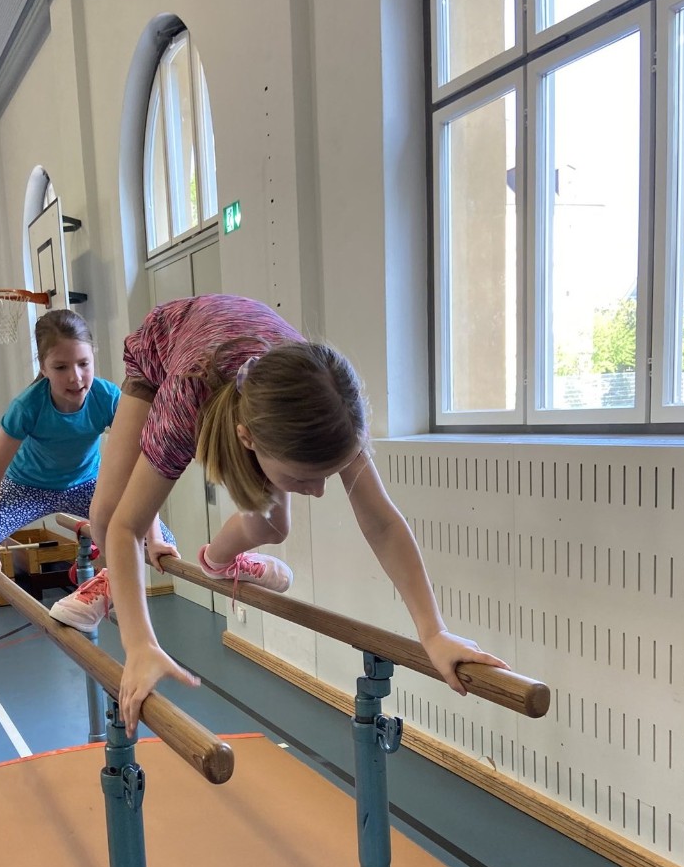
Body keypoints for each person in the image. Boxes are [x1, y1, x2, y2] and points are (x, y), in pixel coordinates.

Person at [49, 294, 508, 734]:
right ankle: (113, 582)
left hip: (253, 363)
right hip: (167, 345)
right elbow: (127, 526)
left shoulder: (333, 413)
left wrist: (433, 632)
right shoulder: (186, 399)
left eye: (326, 475)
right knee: (108, 512)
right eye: (304, 477)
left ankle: (218, 561)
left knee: (273, 524)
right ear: (247, 439)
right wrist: (139, 644)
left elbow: (383, 523)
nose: (319, 492)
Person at [0, 309, 175, 581]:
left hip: (87, 486)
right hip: (26, 489)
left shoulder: (108, 397)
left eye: (83, 363)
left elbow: (141, 463)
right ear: (43, 367)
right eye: (61, 367)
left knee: (163, 542)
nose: (75, 377)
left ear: (93, 357)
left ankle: (102, 578)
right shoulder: (27, 406)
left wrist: (155, 538)